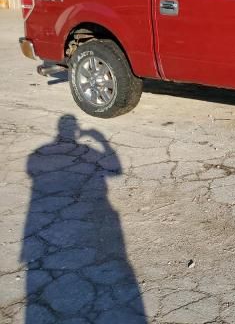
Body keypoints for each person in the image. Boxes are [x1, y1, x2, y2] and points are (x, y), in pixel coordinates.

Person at [21, 114, 146, 323]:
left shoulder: (37, 153)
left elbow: (32, 173)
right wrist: (98, 137)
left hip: (35, 222)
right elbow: (117, 169)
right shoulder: (83, 150)